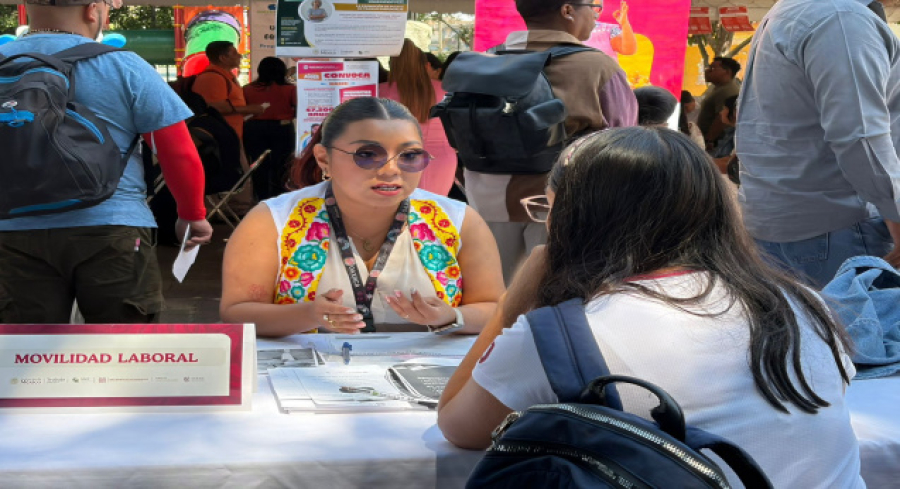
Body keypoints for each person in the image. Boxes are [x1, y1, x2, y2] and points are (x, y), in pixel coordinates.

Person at [437, 127, 864, 488]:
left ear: (576, 220)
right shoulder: (804, 304)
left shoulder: (565, 334)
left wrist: (516, 298)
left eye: (549, 208)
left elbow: (458, 425)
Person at [0, 0, 212, 323]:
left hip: (12, 229)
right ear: (92, 10)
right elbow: (177, 152)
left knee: (27, 346)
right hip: (111, 226)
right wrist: (192, 214)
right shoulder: (123, 66)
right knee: (123, 343)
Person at [220, 97, 504, 336]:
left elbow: (494, 308)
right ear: (324, 159)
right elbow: (237, 312)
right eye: (367, 154)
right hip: (303, 377)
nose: (391, 170)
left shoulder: (457, 221)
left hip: (429, 378)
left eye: (409, 155)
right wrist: (309, 315)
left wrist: (452, 316)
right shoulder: (273, 221)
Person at [464, 0, 638, 284]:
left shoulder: (486, 61)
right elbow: (626, 142)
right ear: (567, 11)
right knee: (556, 294)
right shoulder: (598, 66)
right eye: (592, 6)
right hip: (563, 204)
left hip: (487, 200)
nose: (596, 15)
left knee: (491, 295)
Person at [735, 0, 900, 288]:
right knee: (853, 318)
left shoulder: (800, 9)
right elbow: (860, 138)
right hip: (838, 229)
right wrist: (896, 215)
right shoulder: (840, 17)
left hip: (793, 227)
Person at [380, 39, 456, 196]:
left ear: (392, 66)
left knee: (401, 206)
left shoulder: (380, 92)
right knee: (435, 207)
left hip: (397, 158)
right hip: (442, 158)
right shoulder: (446, 90)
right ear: (426, 65)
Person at [243, 57, 297, 200]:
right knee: (282, 164)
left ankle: (260, 198)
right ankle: (280, 198)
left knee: (258, 165)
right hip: (282, 128)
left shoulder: (247, 89)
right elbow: (298, 110)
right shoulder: (290, 89)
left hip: (254, 129)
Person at [192, 41, 266, 146]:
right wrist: (249, 109)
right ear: (223, 58)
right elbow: (217, 108)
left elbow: (231, 105)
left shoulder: (227, 76)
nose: (240, 56)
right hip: (219, 138)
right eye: (235, 53)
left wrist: (248, 112)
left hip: (230, 135)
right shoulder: (212, 78)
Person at [697, 57, 740, 149]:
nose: (708, 71)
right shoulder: (717, 88)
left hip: (717, 144)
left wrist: (709, 140)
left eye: (712, 68)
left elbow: (721, 119)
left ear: (727, 72)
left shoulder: (727, 91)